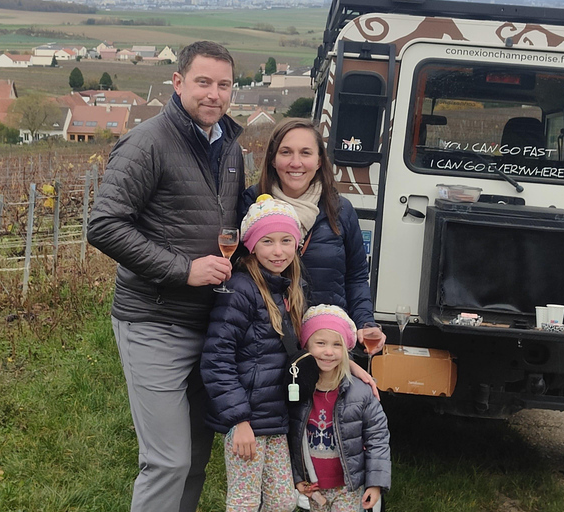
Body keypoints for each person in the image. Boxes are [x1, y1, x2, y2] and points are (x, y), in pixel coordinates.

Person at [86, 41, 244, 512]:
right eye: (203, 82)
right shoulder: (148, 141)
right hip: (154, 322)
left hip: (209, 326)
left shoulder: (231, 146)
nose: (214, 94)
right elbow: (104, 225)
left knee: (196, 458)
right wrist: (184, 270)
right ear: (178, 83)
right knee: (168, 461)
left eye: (224, 85)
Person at [242, 118, 386, 354]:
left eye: (305, 153)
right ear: (272, 159)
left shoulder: (340, 210)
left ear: (319, 161)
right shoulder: (251, 204)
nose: (295, 162)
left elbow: (356, 277)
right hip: (266, 343)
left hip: (326, 344)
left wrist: (365, 323)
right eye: (286, 152)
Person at [201, 195, 305, 512]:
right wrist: (239, 420)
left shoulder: (288, 288)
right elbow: (216, 359)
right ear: (252, 246)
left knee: (283, 501)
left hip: (274, 416)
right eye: (268, 241)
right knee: (245, 501)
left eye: (287, 240)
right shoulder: (240, 290)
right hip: (246, 419)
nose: (278, 251)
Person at [288, 305, 391, 512]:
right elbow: (290, 440)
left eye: (337, 344)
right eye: (320, 343)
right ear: (306, 346)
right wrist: (297, 478)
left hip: (348, 487)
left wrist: (375, 483)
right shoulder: (297, 393)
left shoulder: (360, 393)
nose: (328, 352)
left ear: (345, 350)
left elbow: (377, 439)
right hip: (314, 486)